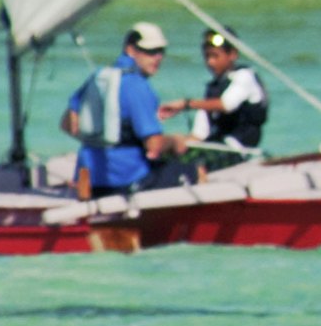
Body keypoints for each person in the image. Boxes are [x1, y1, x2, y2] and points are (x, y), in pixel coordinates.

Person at [74, 20, 178, 198]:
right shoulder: (136, 85)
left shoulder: (98, 76)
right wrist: (176, 142)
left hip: (88, 179)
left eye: (161, 51)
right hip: (126, 180)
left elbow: (69, 124)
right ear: (130, 49)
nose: (158, 57)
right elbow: (154, 146)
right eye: (150, 51)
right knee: (192, 170)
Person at [177, 27, 271, 169]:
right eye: (207, 57)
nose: (210, 62)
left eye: (215, 56)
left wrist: (186, 104)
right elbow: (199, 134)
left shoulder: (245, 76)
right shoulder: (213, 89)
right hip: (216, 146)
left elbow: (227, 105)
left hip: (238, 150)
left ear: (232, 54)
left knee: (195, 164)